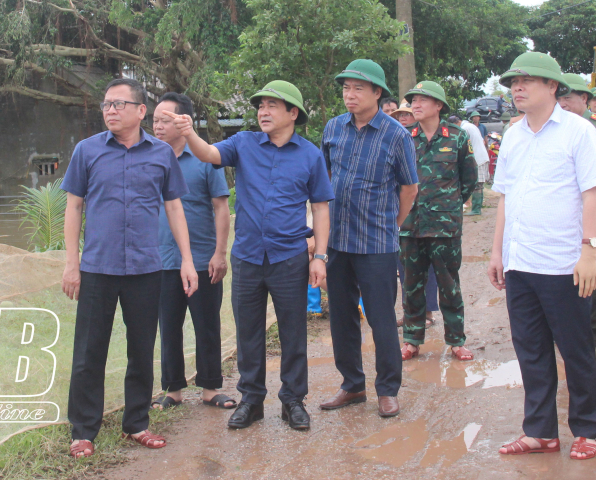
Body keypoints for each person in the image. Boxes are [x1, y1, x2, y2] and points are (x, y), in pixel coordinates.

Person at [164, 80, 333, 431]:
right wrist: (189, 133)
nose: (263, 111)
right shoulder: (242, 143)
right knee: (249, 333)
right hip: (248, 257)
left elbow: (320, 208)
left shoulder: (310, 155)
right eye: (261, 106)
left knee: (292, 332)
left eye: (273, 105)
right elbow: (209, 154)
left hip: (290, 257)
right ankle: (251, 400)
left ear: (293, 113)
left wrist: (320, 256)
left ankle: (292, 401)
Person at [61, 78, 199, 458]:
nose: (110, 111)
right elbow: (74, 207)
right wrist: (72, 264)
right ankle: (83, 430)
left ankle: (136, 423)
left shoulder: (161, 154)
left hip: (145, 268)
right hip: (97, 269)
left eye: (119, 104)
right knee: (89, 352)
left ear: (141, 111)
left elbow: (174, 207)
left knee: (141, 348)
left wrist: (187, 261)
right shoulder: (86, 151)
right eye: (106, 105)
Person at [490, 51, 596, 460]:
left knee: (576, 348)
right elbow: (505, 198)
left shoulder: (579, 132)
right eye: (514, 81)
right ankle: (540, 431)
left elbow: (591, 194)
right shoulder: (514, 135)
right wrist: (498, 252)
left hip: (564, 263)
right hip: (522, 263)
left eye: (527, 80)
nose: (517, 87)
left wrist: (589, 250)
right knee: (530, 350)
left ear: (553, 86)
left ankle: (587, 428)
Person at [319, 59, 418, 418]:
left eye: (358, 88)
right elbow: (322, 179)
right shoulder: (333, 128)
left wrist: (393, 223)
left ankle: (387, 389)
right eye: (346, 88)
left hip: (376, 243)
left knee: (381, 319)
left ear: (378, 93)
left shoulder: (396, 134)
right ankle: (352, 384)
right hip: (337, 241)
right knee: (341, 317)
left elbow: (409, 187)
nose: (350, 94)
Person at [150, 92, 235, 411]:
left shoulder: (205, 159)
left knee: (207, 324)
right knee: (168, 325)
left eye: (164, 120)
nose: (157, 126)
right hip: (160, 260)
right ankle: (172, 390)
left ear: (182, 121)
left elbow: (221, 207)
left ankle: (211, 388)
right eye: (155, 120)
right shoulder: (150, 159)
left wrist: (219, 253)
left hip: (202, 259)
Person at [400, 81, 478, 362]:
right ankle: (411, 340)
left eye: (422, 99)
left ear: (439, 106)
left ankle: (456, 340)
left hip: (445, 227)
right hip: (409, 225)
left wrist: (450, 206)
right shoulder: (405, 137)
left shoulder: (456, 136)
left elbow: (469, 179)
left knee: (449, 285)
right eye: (413, 100)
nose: (415, 104)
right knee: (411, 285)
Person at [458, 112, 491, 216]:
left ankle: (476, 209)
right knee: (479, 185)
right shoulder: (471, 126)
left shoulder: (465, 128)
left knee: (477, 185)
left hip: (478, 158)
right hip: (482, 156)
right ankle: (477, 208)